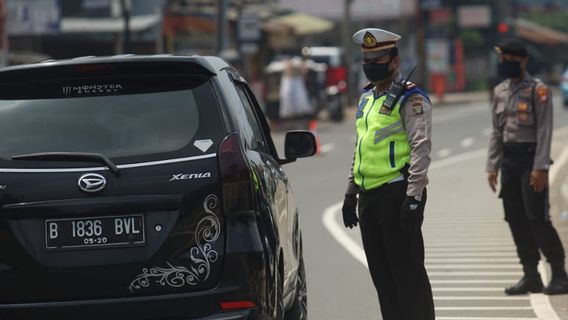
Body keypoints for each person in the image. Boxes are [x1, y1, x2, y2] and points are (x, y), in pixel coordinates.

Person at [341, 28, 435, 320]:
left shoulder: (411, 98)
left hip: (398, 195)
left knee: (408, 279)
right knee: (383, 280)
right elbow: (361, 147)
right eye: (366, 59)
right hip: (369, 199)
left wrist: (414, 197)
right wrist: (350, 192)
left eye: (378, 59)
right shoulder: (367, 98)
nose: (370, 65)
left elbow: (421, 148)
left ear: (394, 61)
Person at [486, 38, 568, 295]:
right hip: (509, 162)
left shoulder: (538, 90)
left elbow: (544, 130)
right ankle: (530, 274)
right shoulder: (500, 91)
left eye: (510, 59)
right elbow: (496, 132)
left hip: (532, 160)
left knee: (538, 219)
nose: (505, 64)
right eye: (503, 59)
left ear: (523, 60)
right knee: (515, 219)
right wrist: (492, 166)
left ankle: (560, 274)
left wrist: (541, 166)